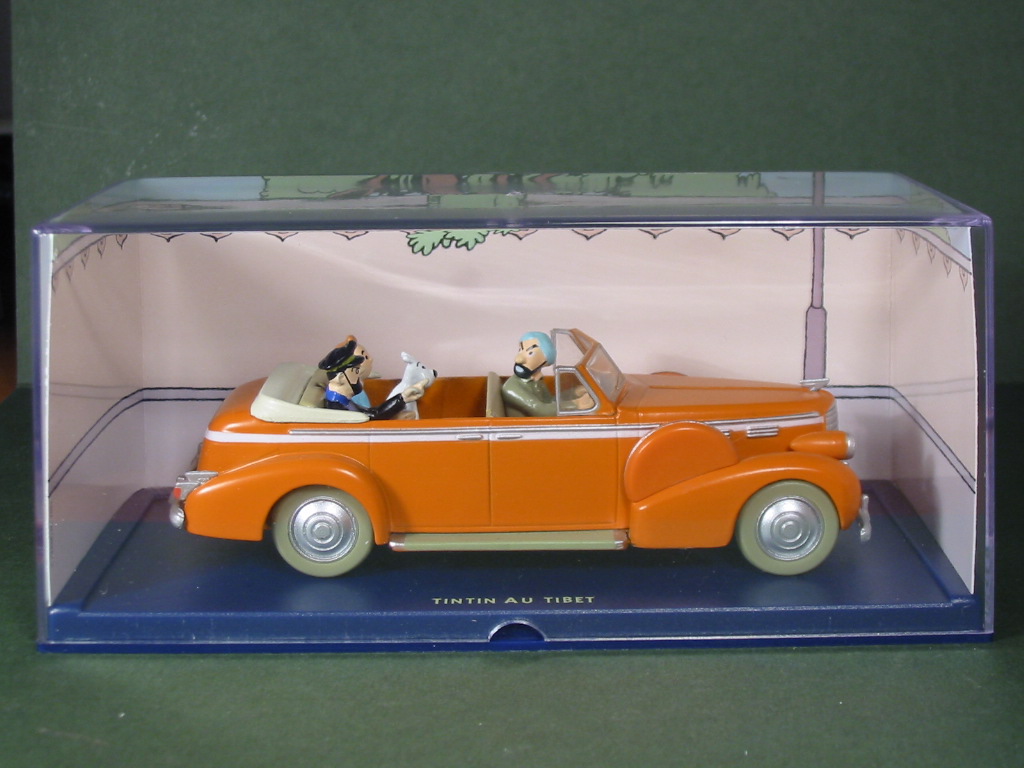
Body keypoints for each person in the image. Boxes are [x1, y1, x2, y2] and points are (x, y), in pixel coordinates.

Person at [318, 337, 425, 420]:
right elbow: (370, 417)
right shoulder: (338, 408)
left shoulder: (343, 401)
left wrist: (403, 397)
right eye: (356, 371)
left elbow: (371, 413)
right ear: (341, 378)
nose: (358, 375)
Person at [500, 331, 558, 417]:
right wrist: (575, 404)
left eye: (530, 353)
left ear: (546, 360)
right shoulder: (511, 387)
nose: (518, 359)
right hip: (524, 425)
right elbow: (541, 411)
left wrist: (574, 393)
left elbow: (549, 401)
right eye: (520, 350)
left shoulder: (536, 379)